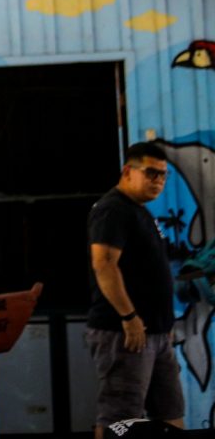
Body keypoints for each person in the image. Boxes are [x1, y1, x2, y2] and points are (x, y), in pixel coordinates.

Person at [86, 141, 184, 438]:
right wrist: (129, 318)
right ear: (128, 171)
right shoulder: (112, 209)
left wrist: (162, 325)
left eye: (163, 176)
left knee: (170, 413)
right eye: (151, 173)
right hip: (124, 333)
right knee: (120, 419)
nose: (158, 181)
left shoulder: (140, 212)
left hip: (155, 333)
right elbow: (103, 264)